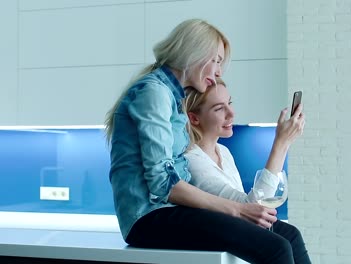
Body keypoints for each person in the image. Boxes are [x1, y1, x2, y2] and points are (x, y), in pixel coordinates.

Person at [104, 18, 302, 264]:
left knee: (289, 235)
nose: (218, 71)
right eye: (216, 60)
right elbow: (163, 184)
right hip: (146, 219)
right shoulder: (154, 93)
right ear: (193, 54)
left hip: (173, 212)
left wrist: (238, 210)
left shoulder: (172, 98)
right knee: (275, 248)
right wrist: (239, 210)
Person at [184, 78, 311, 264]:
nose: (231, 113)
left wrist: (284, 143)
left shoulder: (223, 152)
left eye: (229, 103)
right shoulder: (191, 160)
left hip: (233, 228)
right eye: (219, 109)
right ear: (194, 118)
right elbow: (251, 212)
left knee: (291, 234)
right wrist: (281, 143)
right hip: (214, 233)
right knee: (279, 247)